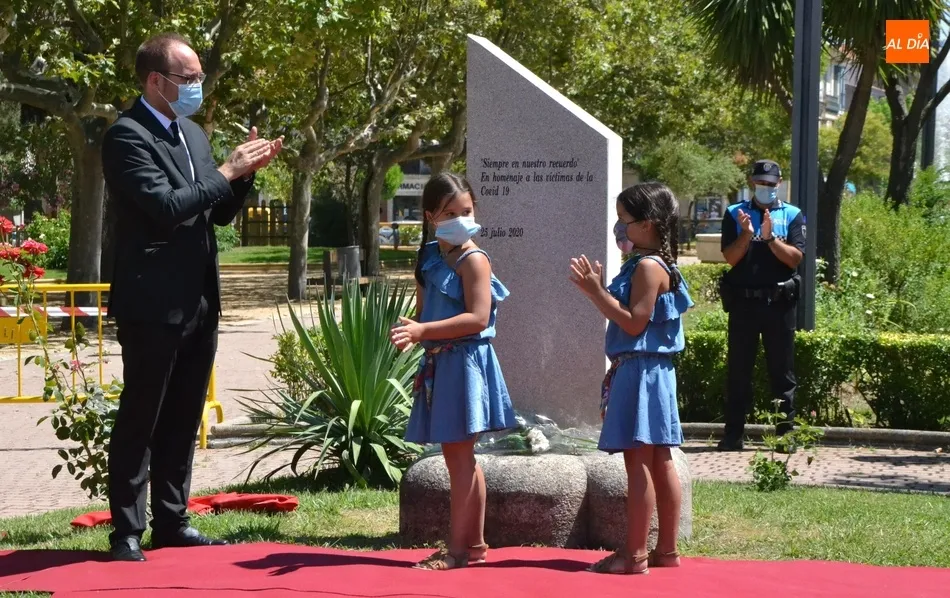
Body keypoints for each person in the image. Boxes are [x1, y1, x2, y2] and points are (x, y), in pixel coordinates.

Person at [102, 32, 282, 562]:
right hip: (151, 303)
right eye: (189, 79)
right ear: (156, 81)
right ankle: (126, 531)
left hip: (200, 299)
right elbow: (165, 206)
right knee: (143, 415)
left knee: (184, 415)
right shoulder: (126, 136)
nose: (198, 87)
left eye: (201, 78)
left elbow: (215, 211)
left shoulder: (194, 136)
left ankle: (172, 520)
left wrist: (243, 178)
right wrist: (227, 171)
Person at [390, 173, 516, 570]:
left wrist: (424, 330)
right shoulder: (429, 255)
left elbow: (478, 318)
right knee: (458, 459)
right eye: (450, 212)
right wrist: (414, 333)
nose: (462, 218)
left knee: (460, 460)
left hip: (467, 365)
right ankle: (473, 547)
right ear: (430, 216)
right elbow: (426, 314)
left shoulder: (475, 259)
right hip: (440, 364)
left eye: (467, 210)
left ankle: (458, 551)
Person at [569, 182, 693, 575]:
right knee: (660, 460)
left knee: (638, 462)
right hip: (656, 373)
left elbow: (634, 323)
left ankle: (634, 554)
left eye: (625, 221)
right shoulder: (659, 264)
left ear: (649, 224)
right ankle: (666, 552)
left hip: (640, 372)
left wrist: (595, 293)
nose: (619, 228)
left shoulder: (646, 266)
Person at [717, 160, 805, 452]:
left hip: (779, 305)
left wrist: (769, 239)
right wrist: (746, 233)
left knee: (783, 374)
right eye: (760, 182)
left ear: (779, 182)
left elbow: (794, 259)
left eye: (770, 183)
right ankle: (733, 437)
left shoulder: (792, 214)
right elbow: (730, 258)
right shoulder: (735, 213)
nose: (765, 187)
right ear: (751, 181)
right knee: (738, 372)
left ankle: (784, 437)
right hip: (743, 305)